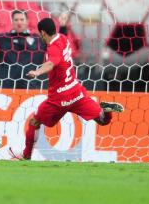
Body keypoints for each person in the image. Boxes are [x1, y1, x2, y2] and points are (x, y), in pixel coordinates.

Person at [9, 18, 124, 160]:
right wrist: (63, 25)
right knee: (102, 120)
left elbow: (51, 63)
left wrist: (38, 72)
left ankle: (26, 156)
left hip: (59, 98)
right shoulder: (63, 38)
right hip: (76, 92)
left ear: (43, 33)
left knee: (34, 121)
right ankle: (107, 111)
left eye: (41, 34)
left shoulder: (53, 48)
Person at [0, 10, 69, 89]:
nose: (19, 22)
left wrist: (63, 26)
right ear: (12, 21)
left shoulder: (39, 40)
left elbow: (58, 44)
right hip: (7, 87)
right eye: (16, 20)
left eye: (22, 19)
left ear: (27, 21)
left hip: (31, 87)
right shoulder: (3, 39)